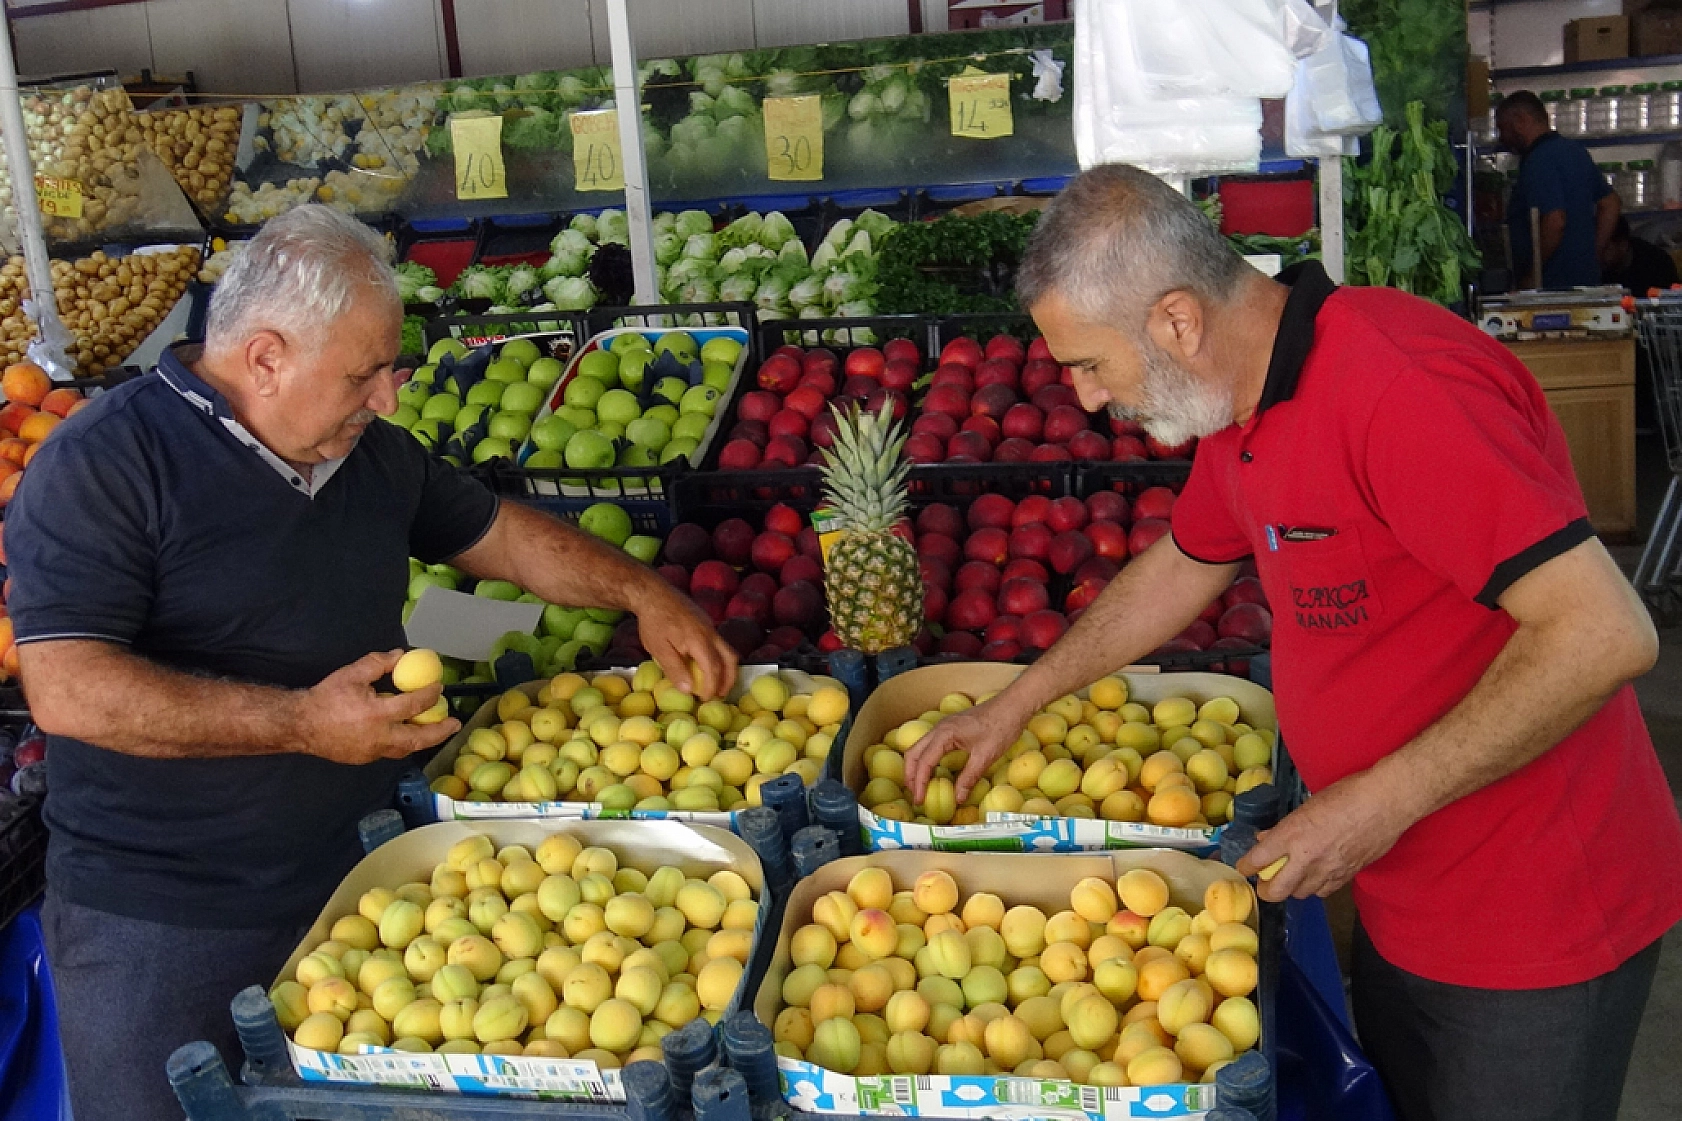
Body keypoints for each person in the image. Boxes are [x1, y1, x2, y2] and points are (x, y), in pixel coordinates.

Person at [904, 165, 1682, 1121]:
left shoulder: (1402, 391)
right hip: (1405, 889)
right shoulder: (1243, 402)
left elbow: (1604, 631)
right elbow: (1183, 565)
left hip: (1536, 914)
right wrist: (1014, 704)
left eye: (1091, 363)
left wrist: (1371, 805)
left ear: (1177, 320)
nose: (1088, 397)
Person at [3, 205, 738, 1121]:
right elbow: (70, 690)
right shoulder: (105, 465)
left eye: (391, 370)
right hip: (168, 917)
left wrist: (642, 591)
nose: (387, 398)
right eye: (364, 374)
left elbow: (500, 536)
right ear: (265, 358)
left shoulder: (367, 455)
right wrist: (302, 722)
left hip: (368, 885)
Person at [1498, 89, 1621, 289]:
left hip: (1552, 288)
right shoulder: (1575, 151)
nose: (1502, 138)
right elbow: (1611, 203)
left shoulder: (1538, 160)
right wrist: (1593, 254)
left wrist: (1533, 275)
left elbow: (1555, 221)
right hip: (1585, 284)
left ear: (1520, 121)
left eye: (1503, 128)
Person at [1601, 214, 1679, 296]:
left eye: (1605, 248)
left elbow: (1672, 297)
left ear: (1622, 245)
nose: (1599, 253)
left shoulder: (1656, 263)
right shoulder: (1600, 269)